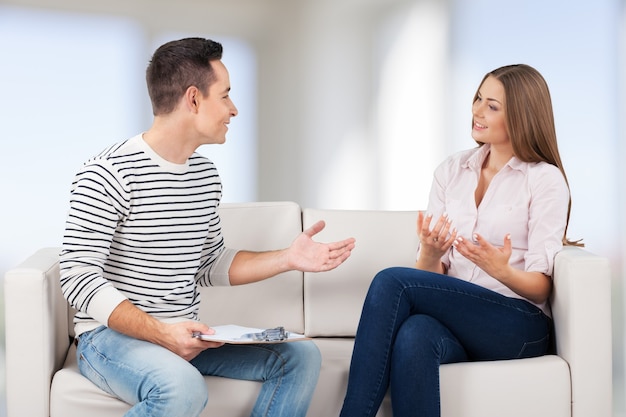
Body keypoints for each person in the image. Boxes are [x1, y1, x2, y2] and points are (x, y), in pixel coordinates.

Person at [59, 37, 355, 417]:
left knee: (300, 356)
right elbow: (77, 274)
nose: (234, 109)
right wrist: (161, 333)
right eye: (226, 95)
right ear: (194, 99)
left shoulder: (204, 175)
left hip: (183, 334)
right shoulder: (108, 172)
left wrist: (288, 258)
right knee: (182, 387)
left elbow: (209, 263)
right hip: (111, 338)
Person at [339, 64, 580, 417]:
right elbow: (432, 279)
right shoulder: (451, 171)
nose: (477, 111)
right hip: (459, 321)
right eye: (478, 98)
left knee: (391, 281)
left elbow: (541, 289)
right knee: (415, 334)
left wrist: (502, 270)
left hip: (517, 323)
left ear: (521, 117)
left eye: (492, 106)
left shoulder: (544, 180)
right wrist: (431, 253)